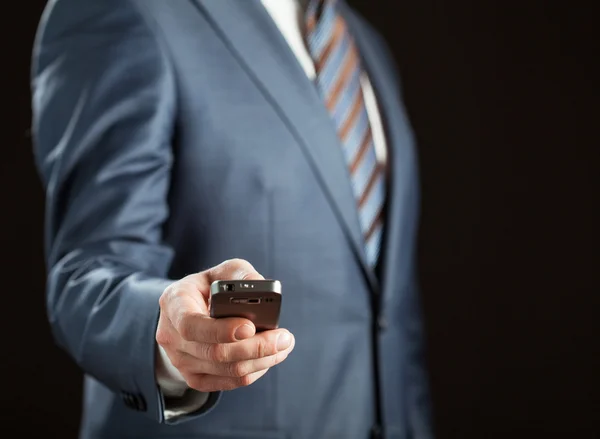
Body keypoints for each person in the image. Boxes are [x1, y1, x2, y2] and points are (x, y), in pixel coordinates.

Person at [31, 0, 433, 438]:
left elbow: (387, 315)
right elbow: (85, 274)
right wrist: (169, 332)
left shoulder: (363, 42)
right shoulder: (124, 10)